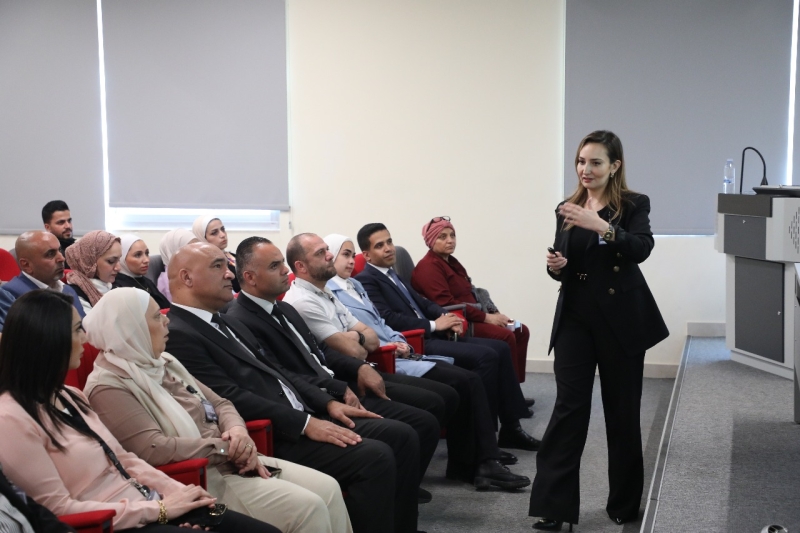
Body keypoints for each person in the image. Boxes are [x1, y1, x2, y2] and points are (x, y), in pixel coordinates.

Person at [164, 242, 424, 533]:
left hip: (304, 411)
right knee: (375, 457)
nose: (229, 274)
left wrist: (328, 402)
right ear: (187, 277)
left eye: (227, 266)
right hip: (272, 432)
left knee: (400, 435)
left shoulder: (225, 322)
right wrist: (305, 423)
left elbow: (280, 372)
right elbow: (229, 396)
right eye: (218, 266)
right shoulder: (179, 333)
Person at [0, 290, 279, 533]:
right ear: (48, 339)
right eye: (76, 330)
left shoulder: (70, 395)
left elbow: (124, 460)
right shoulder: (10, 419)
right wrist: (159, 510)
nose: (85, 338)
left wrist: (179, 493)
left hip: (147, 503)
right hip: (116, 523)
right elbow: (58, 508)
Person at [83, 287, 352, 533]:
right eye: (156, 317)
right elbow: (153, 448)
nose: (166, 321)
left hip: (234, 458)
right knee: (308, 508)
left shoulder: (163, 360)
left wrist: (238, 432)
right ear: (131, 329)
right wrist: (226, 448)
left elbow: (221, 403)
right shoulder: (108, 386)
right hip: (200, 478)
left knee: (329, 488)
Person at [228, 236, 444, 502]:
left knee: (422, 419)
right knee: (403, 434)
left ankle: (401, 497)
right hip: (317, 401)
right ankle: (398, 502)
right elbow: (282, 375)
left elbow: (322, 352)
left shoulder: (283, 308)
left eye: (282, 263)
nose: (285, 270)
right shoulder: (241, 319)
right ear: (250, 277)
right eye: (275, 266)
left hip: (337, 386)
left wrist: (359, 367)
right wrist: (335, 390)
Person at [529, 130, 669, 531]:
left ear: (614, 166)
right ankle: (555, 507)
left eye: (595, 162)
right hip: (575, 316)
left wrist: (602, 227)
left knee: (621, 411)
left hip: (621, 319)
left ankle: (623, 503)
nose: (585, 169)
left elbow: (641, 248)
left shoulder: (633, 204)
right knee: (568, 409)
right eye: (580, 161)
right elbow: (564, 259)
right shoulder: (566, 208)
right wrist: (556, 266)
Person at [322, 234, 530, 491]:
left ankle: (479, 459)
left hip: (404, 348)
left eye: (351, 254)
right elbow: (366, 333)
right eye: (344, 254)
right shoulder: (339, 290)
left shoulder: (355, 284)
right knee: (467, 379)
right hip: (387, 359)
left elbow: (382, 323)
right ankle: (480, 461)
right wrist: (407, 337)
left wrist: (403, 339)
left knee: (471, 377)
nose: (350, 260)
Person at [355, 223, 540, 452]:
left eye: (390, 242)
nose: (388, 248)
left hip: (433, 333)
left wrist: (446, 316)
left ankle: (511, 428)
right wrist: (434, 324)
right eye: (380, 245)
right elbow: (389, 319)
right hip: (416, 341)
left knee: (499, 349)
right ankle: (486, 440)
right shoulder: (367, 280)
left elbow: (423, 303)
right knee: (486, 357)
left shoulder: (392, 274)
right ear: (367, 255)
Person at [411, 217, 531, 383]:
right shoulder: (428, 267)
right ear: (431, 241)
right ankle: (507, 392)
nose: (450, 240)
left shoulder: (451, 261)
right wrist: (487, 318)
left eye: (452, 235)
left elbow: (472, 290)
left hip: (477, 315)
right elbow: (447, 304)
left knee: (520, 330)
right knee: (505, 336)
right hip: (462, 321)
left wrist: (493, 311)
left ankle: (514, 387)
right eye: (442, 237)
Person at [0, 231, 85, 317]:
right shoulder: (11, 295)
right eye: (50, 254)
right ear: (26, 265)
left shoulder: (68, 289)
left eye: (59, 250)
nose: (62, 258)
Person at [65, 230, 121, 314]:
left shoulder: (113, 286)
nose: (118, 268)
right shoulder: (74, 294)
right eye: (111, 261)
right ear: (90, 261)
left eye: (119, 260)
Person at [113, 234, 171, 309]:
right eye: (138, 255)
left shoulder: (146, 281)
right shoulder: (119, 288)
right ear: (122, 258)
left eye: (147, 253)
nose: (146, 260)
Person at [193, 215, 240, 292]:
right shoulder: (209, 265)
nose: (223, 235)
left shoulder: (236, 256)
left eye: (223, 229)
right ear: (203, 238)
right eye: (214, 233)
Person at [158, 229, 200, 303]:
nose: (196, 253)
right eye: (190, 249)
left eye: (197, 248)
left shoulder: (198, 269)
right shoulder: (167, 282)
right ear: (173, 251)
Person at [42, 200, 75, 268]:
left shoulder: (76, 248)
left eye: (69, 221)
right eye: (61, 222)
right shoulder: (47, 254)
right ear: (48, 227)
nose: (68, 226)